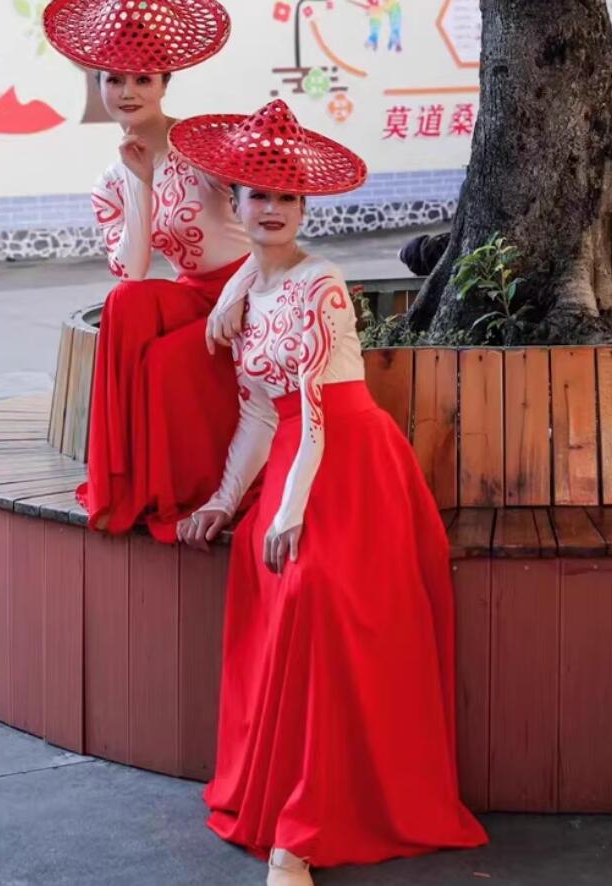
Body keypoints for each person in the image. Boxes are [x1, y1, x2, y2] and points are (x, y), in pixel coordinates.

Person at [171, 99, 488, 884]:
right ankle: (281, 798)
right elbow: (254, 411)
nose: (271, 208)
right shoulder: (250, 291)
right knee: (272, 576)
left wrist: (286, 512)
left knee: (318, 592)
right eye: (257, 194)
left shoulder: (323, 284)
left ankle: (300, 834)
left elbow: (313, 412)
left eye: (286, 197)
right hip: (291, 458)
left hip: (347, 462)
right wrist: (221, 498)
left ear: (304, 206)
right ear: (238, 204)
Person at [43, 0, 250, 542]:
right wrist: (140, 180)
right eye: (113, 80)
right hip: (193, 293)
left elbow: (270, 235)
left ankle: (188, 488)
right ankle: (127, 482)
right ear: (99, 84)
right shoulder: (110, 180)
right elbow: (132, 271)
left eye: (142, 79)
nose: (127, 92)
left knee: (163, 362)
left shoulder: (207, 146)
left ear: (165, 83)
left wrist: (240, 295)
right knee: (124, 303)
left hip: (252, 289)